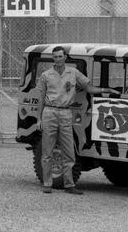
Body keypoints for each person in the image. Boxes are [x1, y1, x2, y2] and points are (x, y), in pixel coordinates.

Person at [35, 46, 105, 194]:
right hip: (50, 111)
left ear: (65, 57)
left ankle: (69, 184)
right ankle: (47, 183)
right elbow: (40, 98)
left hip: (66, 112)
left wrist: (106, 90)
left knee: (69, 151)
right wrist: (38, 119)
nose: (58, 59)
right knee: (47, 150)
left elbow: (89, 88)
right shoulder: (46, 75)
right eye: (55, 57)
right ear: (52, 58)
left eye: (60, 56)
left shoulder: (73, 73)